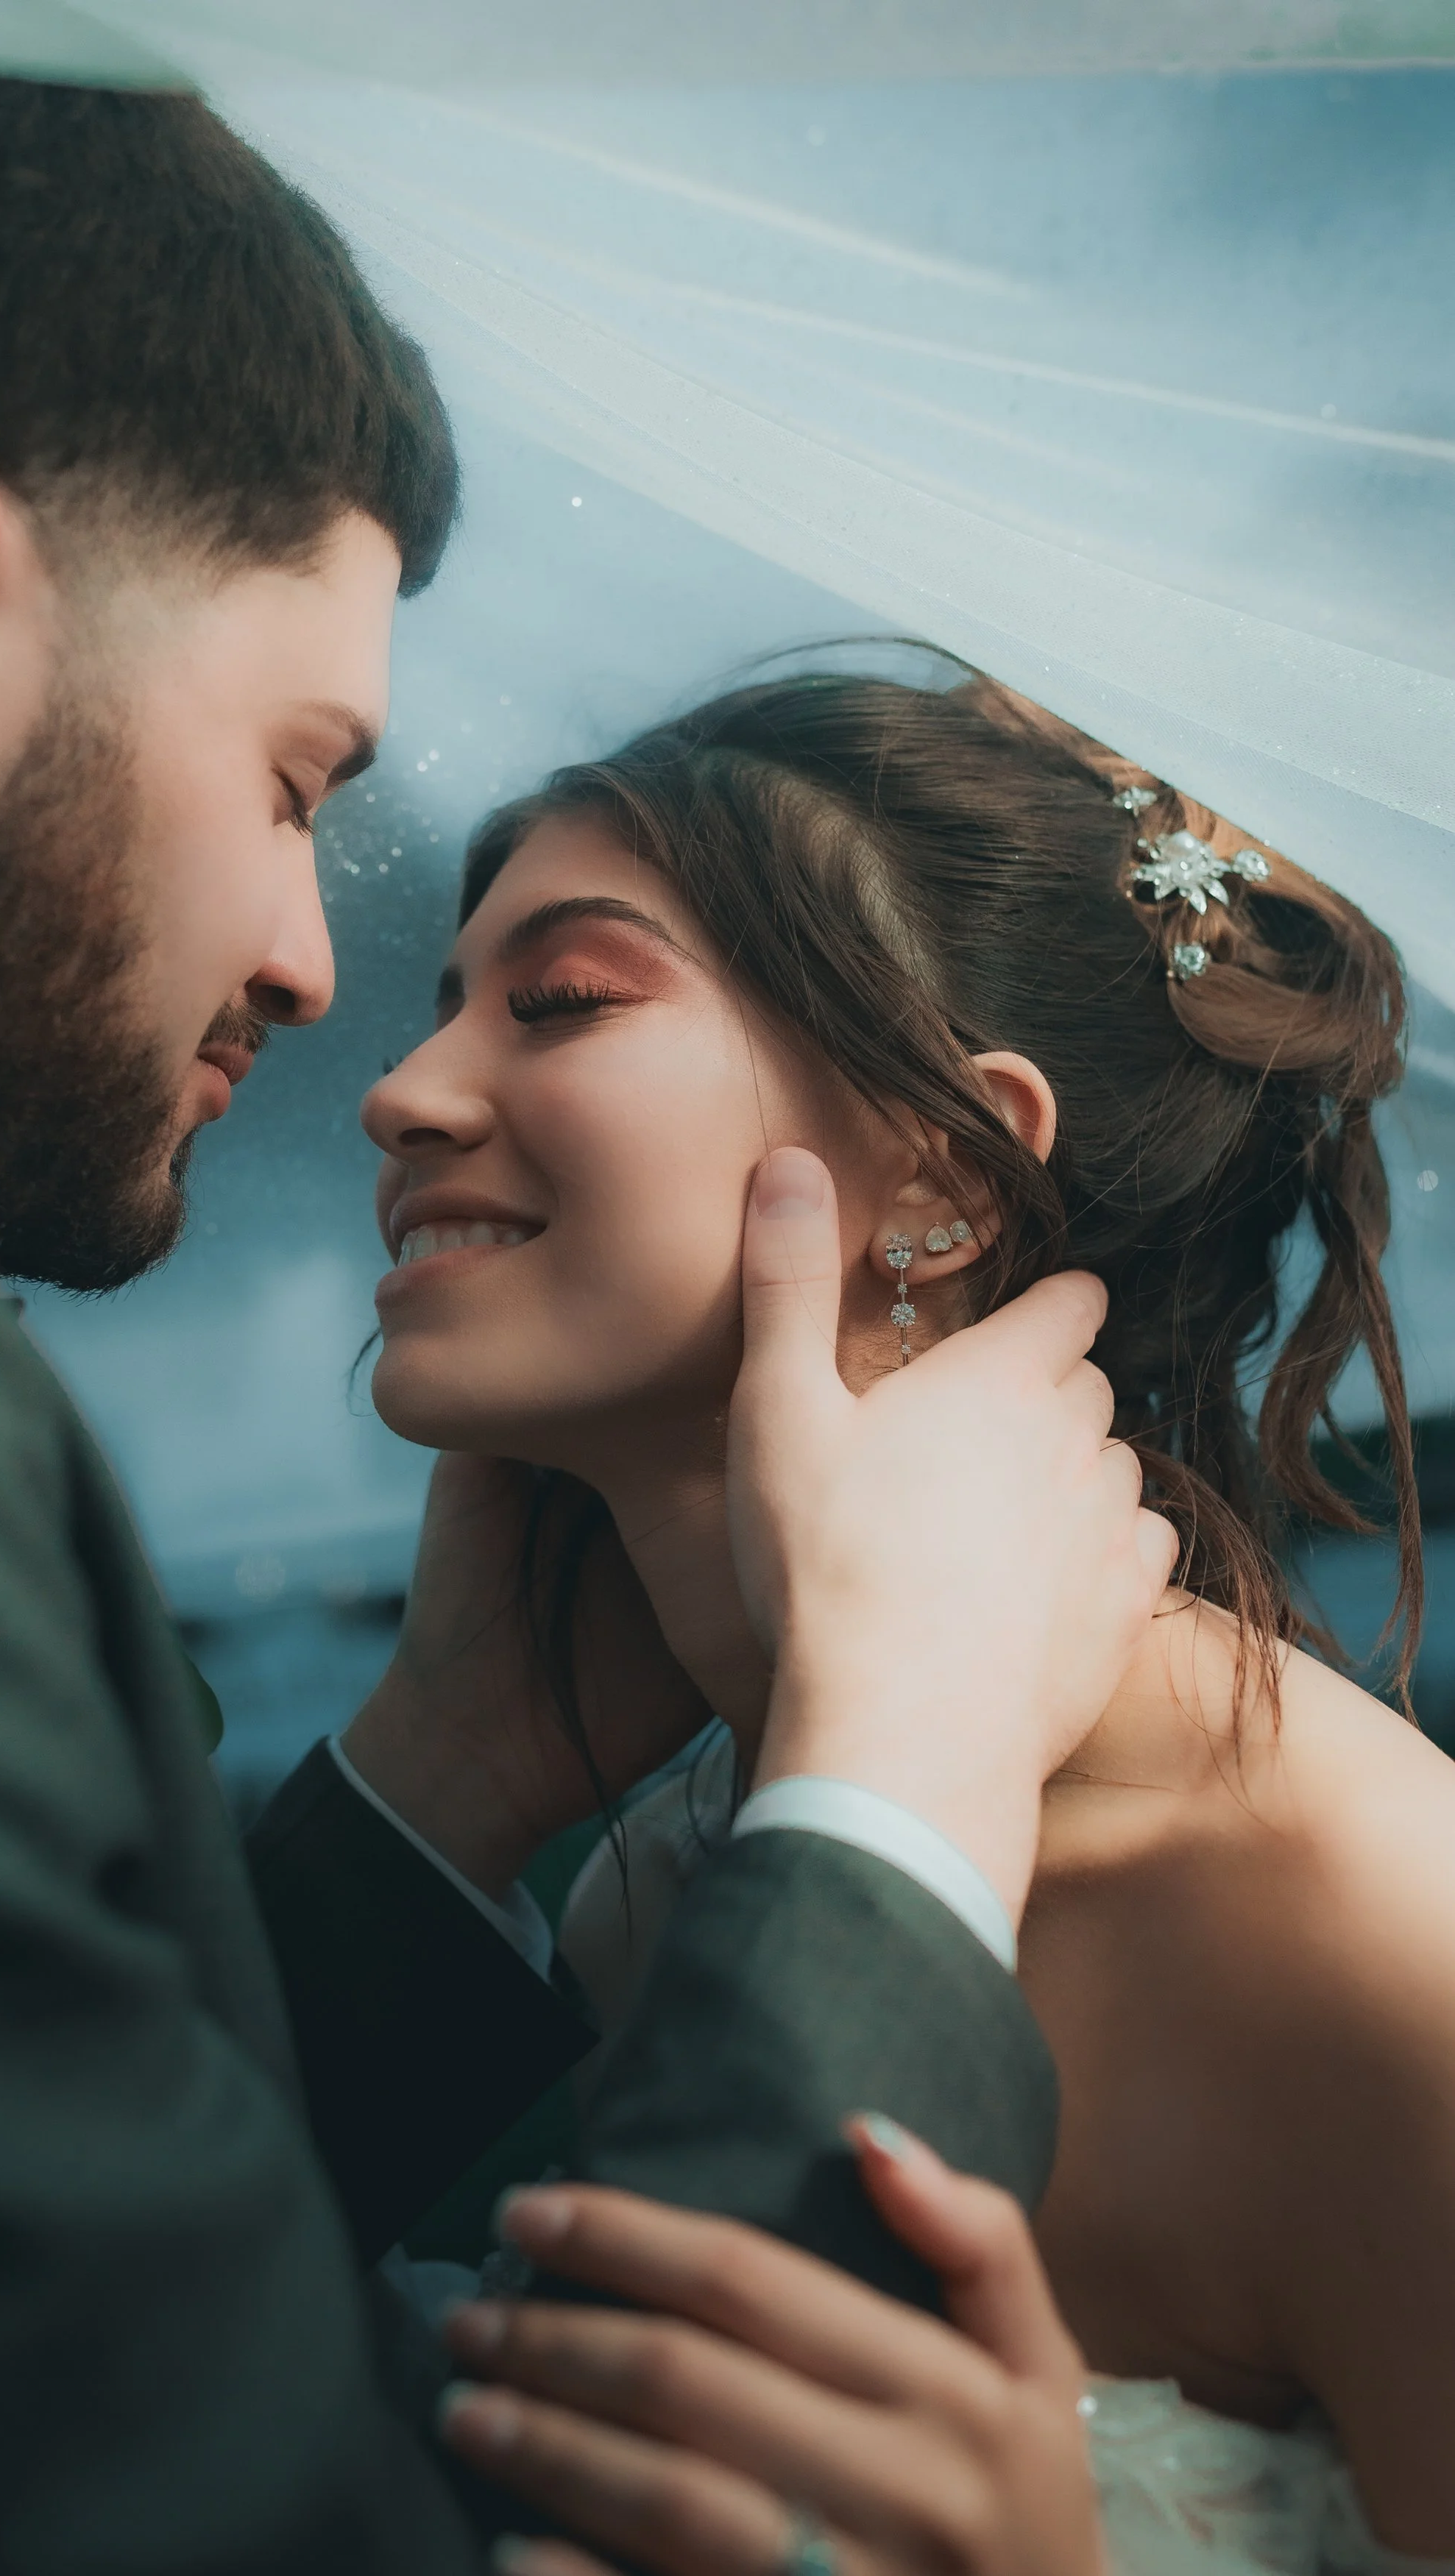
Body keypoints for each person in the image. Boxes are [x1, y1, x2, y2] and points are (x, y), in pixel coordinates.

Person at [0, 18, 1169, 2574]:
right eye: (294, 780)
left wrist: (449, 1769)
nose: (321, 992)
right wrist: (901, 1776)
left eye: (554, 995)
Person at [356, 662, 1455, 2569]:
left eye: (560, 1002)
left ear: (939, 1177)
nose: (398, 1090)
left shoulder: (1353, 1916)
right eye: (441, 1003)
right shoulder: (662, 1879)